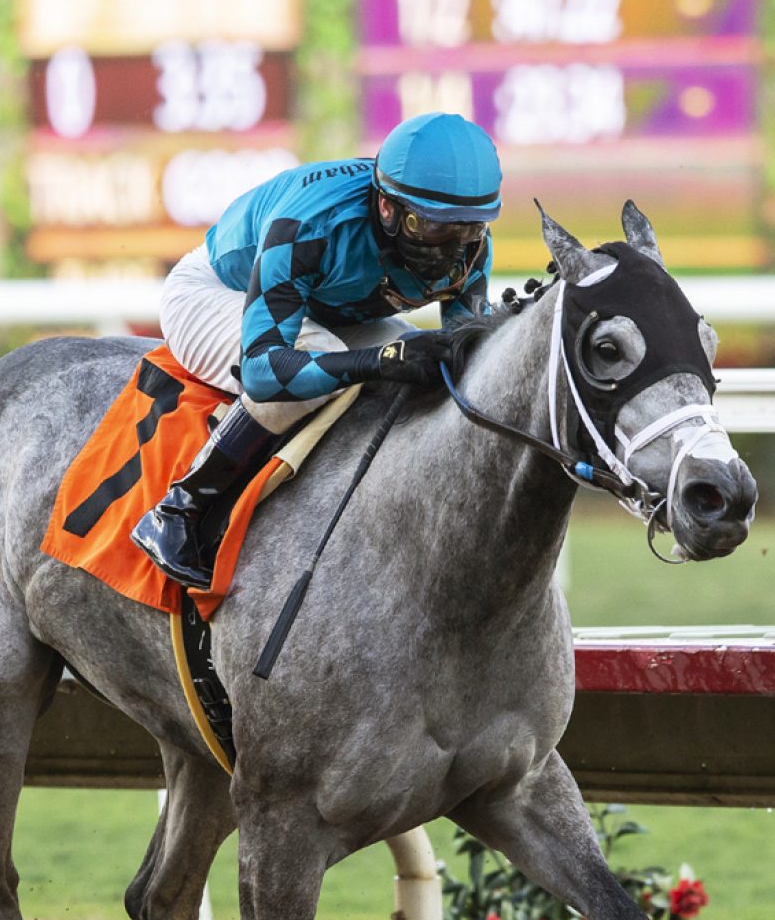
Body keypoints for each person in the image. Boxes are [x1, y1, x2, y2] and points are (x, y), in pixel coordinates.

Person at [132, 111, 502, 590]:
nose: (451, 249)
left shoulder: (471, 242)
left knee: (426, 362)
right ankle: (181, 507)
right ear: (387, 208)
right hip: (215, 292)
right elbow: (265, 371)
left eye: (467, 230)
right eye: (429, 228)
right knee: (331, 356)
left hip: (330, 309)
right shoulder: (310, 221)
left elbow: (466, 360)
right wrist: (377, 362)